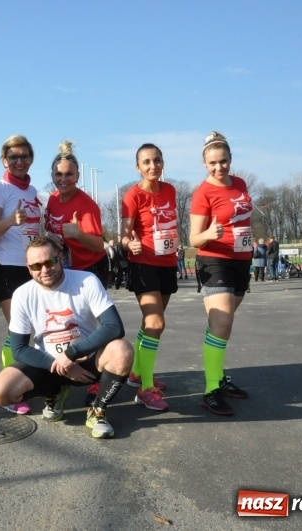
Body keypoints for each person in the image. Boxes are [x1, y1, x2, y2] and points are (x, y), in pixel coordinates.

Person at [0, 236, 133, 439]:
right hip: (48, 365)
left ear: (61, 258)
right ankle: (53, 394)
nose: (44, 270)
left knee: (122, 350)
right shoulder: (22, 294)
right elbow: (18, 349)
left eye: (50, 261)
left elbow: (114, 327)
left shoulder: (86, 281)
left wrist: (71, 354)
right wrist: (60, 364)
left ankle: (97, 411)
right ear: (29, 269)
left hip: (87, 360)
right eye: (36, 266)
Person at [188, 131, 251, 416]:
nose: (219, 167)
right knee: (222, 321)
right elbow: (194, 239)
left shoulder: (240, 183)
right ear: (205, 164)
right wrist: (210, 233)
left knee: (221, 326)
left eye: (223, 161)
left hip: (241, 261)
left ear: (230, 159)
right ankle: (211, 389)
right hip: (214, 260)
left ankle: (218, 376)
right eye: (212, 163)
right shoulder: (203, 192)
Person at [0, 134, 42, 415]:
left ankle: (31, 380)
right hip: (8, 266)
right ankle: (11, 390)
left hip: (34, 268)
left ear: (31, 159)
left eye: (25, 156)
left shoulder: (32, 193)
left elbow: (34, 231)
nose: (20, 162)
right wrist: (10, 220)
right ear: (4, 160)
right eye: (14, 157)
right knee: (18, 330)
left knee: (36, 328)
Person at [119, 143, 180, 412]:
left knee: (151, 324)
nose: (152, 166)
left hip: (167, 263)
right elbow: (123, 233)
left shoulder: (170, 190)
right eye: (146, 162)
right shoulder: (133, 196)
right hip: (142, 263)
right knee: (156, 322)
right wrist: (127, 243)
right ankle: (145, 388)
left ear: (163, 163)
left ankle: (137, 373)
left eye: (156, 160)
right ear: (138, 167)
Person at [44, 140, 107, 286]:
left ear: (77, 176)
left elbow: (99, 246)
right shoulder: (53, 198)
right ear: (52, 176)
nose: (63, 179)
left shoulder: (86, 206)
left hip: (90, 269)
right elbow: (51, 230)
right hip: (66, 268)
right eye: (58, 174)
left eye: (69, 175)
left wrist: (79, 234)